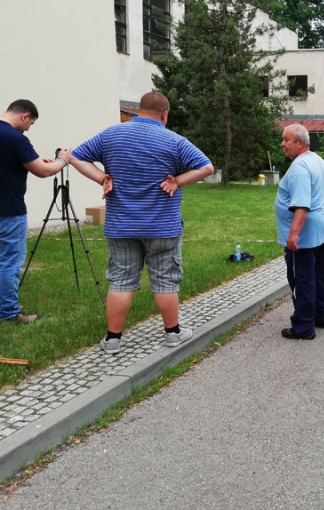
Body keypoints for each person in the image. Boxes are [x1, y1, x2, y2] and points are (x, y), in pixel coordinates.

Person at [63, 92, 214, 353]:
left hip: (121, 225)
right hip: (163, 226)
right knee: (165, 280)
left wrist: (102, 178)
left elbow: (76, 156)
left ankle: (112, 340)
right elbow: (206, 168)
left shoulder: (110, 135)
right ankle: (173, 334)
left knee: (121, 280)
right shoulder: (175, 141)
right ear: (164, 114)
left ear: (137, 110)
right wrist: (177, 182)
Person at [0, 100, 70, 323]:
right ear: (25, 116)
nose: (28, 129)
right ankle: (9, 313)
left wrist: (32, 160)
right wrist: (62, 160)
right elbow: (44, 171)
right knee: (9, 262)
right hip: (7, 210)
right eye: (30, 124)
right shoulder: (14, 137)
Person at [275, 124, 324, 340]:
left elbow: (302, 205)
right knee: (321, 275)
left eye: (286, 140)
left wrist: (293, 234)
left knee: (302, 278)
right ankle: (320, 316)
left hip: (305, 234)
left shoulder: (299, 167)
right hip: (322, 229)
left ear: (299, 142)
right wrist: (323, 213)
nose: (283, 144)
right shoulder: (318, 160)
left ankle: (304, 326)